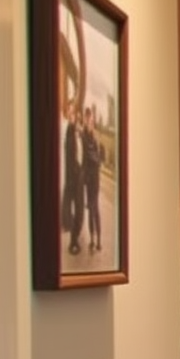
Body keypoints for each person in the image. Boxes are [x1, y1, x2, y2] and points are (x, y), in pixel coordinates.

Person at [61, 99, 83, 255]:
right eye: (69, 112)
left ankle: (74, 239)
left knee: (80, 212)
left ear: (76, 114)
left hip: (80, 177)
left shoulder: (79, 132)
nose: (71, 114)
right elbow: (68, 154)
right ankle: (72, 241)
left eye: (73, 112)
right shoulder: (69, 130)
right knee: (67, 211)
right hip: (70, 178)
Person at [81, 105, 102, 253]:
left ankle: (98, 239)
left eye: (90, 119)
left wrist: (96, 159)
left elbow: (98, 158)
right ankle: (93, 239)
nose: (89, 121)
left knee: (94, 207)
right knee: (91, 208)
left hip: (95, 178)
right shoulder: (84, 136)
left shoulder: (94, 138)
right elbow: (88, 156)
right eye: (87, 118)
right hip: (89, 179)